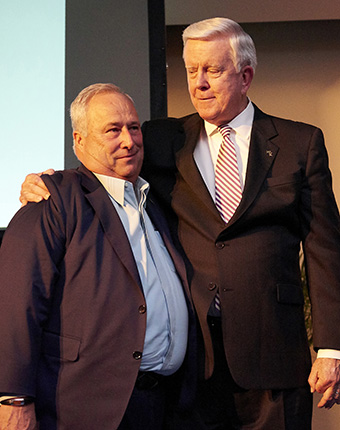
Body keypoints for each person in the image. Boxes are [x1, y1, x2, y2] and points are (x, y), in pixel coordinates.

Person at [19, 17, 340, 429]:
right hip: (193, 360)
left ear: (245, 75)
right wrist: (51, 182)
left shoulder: (300, 143)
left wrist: (331, 349)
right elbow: (104, 160)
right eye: (192, 71)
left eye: (213, 70)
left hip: (273, 355)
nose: (199, 83)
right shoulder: (162, 139)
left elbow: (324, 247)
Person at [0, 83, 196, 430]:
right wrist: (15, 399)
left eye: (134, 127)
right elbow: (17, 306)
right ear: (79, 141)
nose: (129, 141)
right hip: (87, 410)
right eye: (112, 130)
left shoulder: (154, 202)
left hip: (162, 406)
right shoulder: (53, 200)